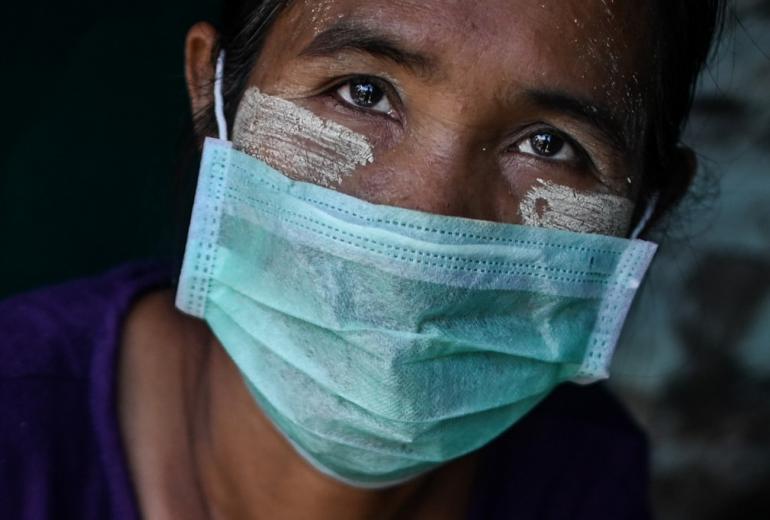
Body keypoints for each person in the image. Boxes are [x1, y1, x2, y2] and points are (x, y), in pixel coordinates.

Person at [0, 1, 725, 518]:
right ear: (211, 92)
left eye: (548, 146)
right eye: (363, 92)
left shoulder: (583, 476)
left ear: (649, 211)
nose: (426, 212)